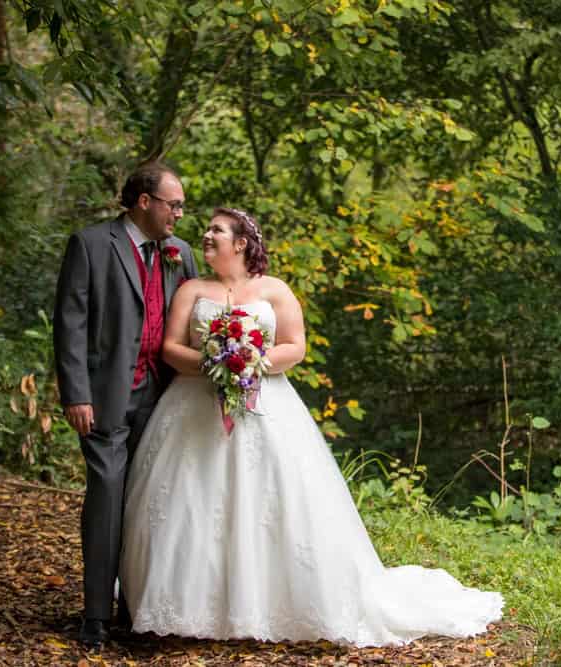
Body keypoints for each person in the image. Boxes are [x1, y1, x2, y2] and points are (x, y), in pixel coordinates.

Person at [119, 207, 503, 645]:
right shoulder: (191, 290)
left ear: (241, 243)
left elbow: (295, 346)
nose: (205, 236)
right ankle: (188, 609)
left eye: (216, 231)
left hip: (265, 404)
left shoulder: (274, 290)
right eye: (207, 230)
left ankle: (266, 605)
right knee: (190, 502)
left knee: (267, 502)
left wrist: (252, 364)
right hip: (192, 407)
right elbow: (170, 348)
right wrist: (214, 364)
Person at [53, 162, 199, 647]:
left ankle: (136, 608)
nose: (178, 213)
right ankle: (95, 615)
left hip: (166, 399)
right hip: (108, 396)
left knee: (151, 503)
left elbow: (198, 321)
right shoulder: (92, 245)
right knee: (107, 496)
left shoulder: (182, 255)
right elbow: (70, 323)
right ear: (144, 202)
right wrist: (76, 392)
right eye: (172, 204)